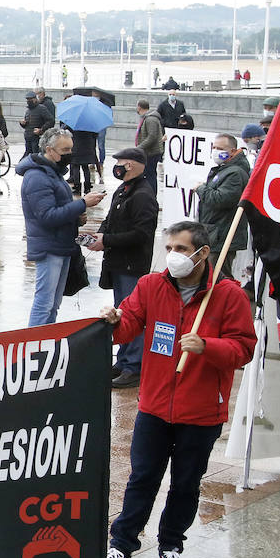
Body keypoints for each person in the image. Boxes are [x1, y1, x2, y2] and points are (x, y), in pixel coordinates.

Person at [100, 221, 255, 558]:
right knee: (142, 478)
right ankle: (121, 545)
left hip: (200, 412)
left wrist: (208, 346)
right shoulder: (151, 285)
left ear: (203, 254)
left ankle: (171, 546)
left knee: (186, 483)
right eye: (169, 248)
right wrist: (112, 323)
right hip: (154, 406)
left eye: (182, 249)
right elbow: (128, 326)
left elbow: (243, 348)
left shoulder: (228, 295)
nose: (173, 256)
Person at [17, 128, 106, 326]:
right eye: (65, 150)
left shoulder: (53, 173)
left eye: (70, 149)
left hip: (61, 244)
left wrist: (76, 217)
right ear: (49, 150)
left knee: (53, 303)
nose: (70, 154)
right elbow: (47, 216)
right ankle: (34, 345)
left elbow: (58, 210)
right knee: (44, 302)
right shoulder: (37, 177)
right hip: (49, 247)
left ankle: (46, 342)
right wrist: (82, 204)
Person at [86, 148, 158, 387]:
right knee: (121, 313)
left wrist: (106, 240)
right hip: (119, 262)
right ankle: (124, 360)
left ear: (134, 165)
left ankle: (134, 366)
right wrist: (101, 234)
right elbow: (112, 220)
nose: (118, 167)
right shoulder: (125, 189)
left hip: (132, 265)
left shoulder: (143, 194)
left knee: (133, 314)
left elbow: (141, 233)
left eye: (121, 163)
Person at [194, 134, 251, 271]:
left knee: (219, 276)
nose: (215, 151)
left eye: (220, 148)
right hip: (214, 234)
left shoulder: (235, 173)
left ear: (232, 151)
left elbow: (220, 199)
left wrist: (201, 189)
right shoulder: (225, 169)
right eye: (214, 147)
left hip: (221, 236)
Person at [133, 100, 165, 193]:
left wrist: (139, 147)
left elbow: (152, 136)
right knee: (148, 174)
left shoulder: (151, 119)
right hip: (148, 152)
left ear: (139, 107)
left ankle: (151, 195)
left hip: (151, 152)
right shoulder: (146, 118)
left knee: (150, 175)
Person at [19, 90, 55, 158]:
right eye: (27, 99)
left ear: (35, 99)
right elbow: (27, 125)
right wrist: (23, 123)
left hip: (36, 138)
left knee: (36, 156)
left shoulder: (42, 108)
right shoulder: (28, 110)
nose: (28, 101)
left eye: (30, 99)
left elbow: (51, 121)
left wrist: (41, 129)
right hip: (28, 137)